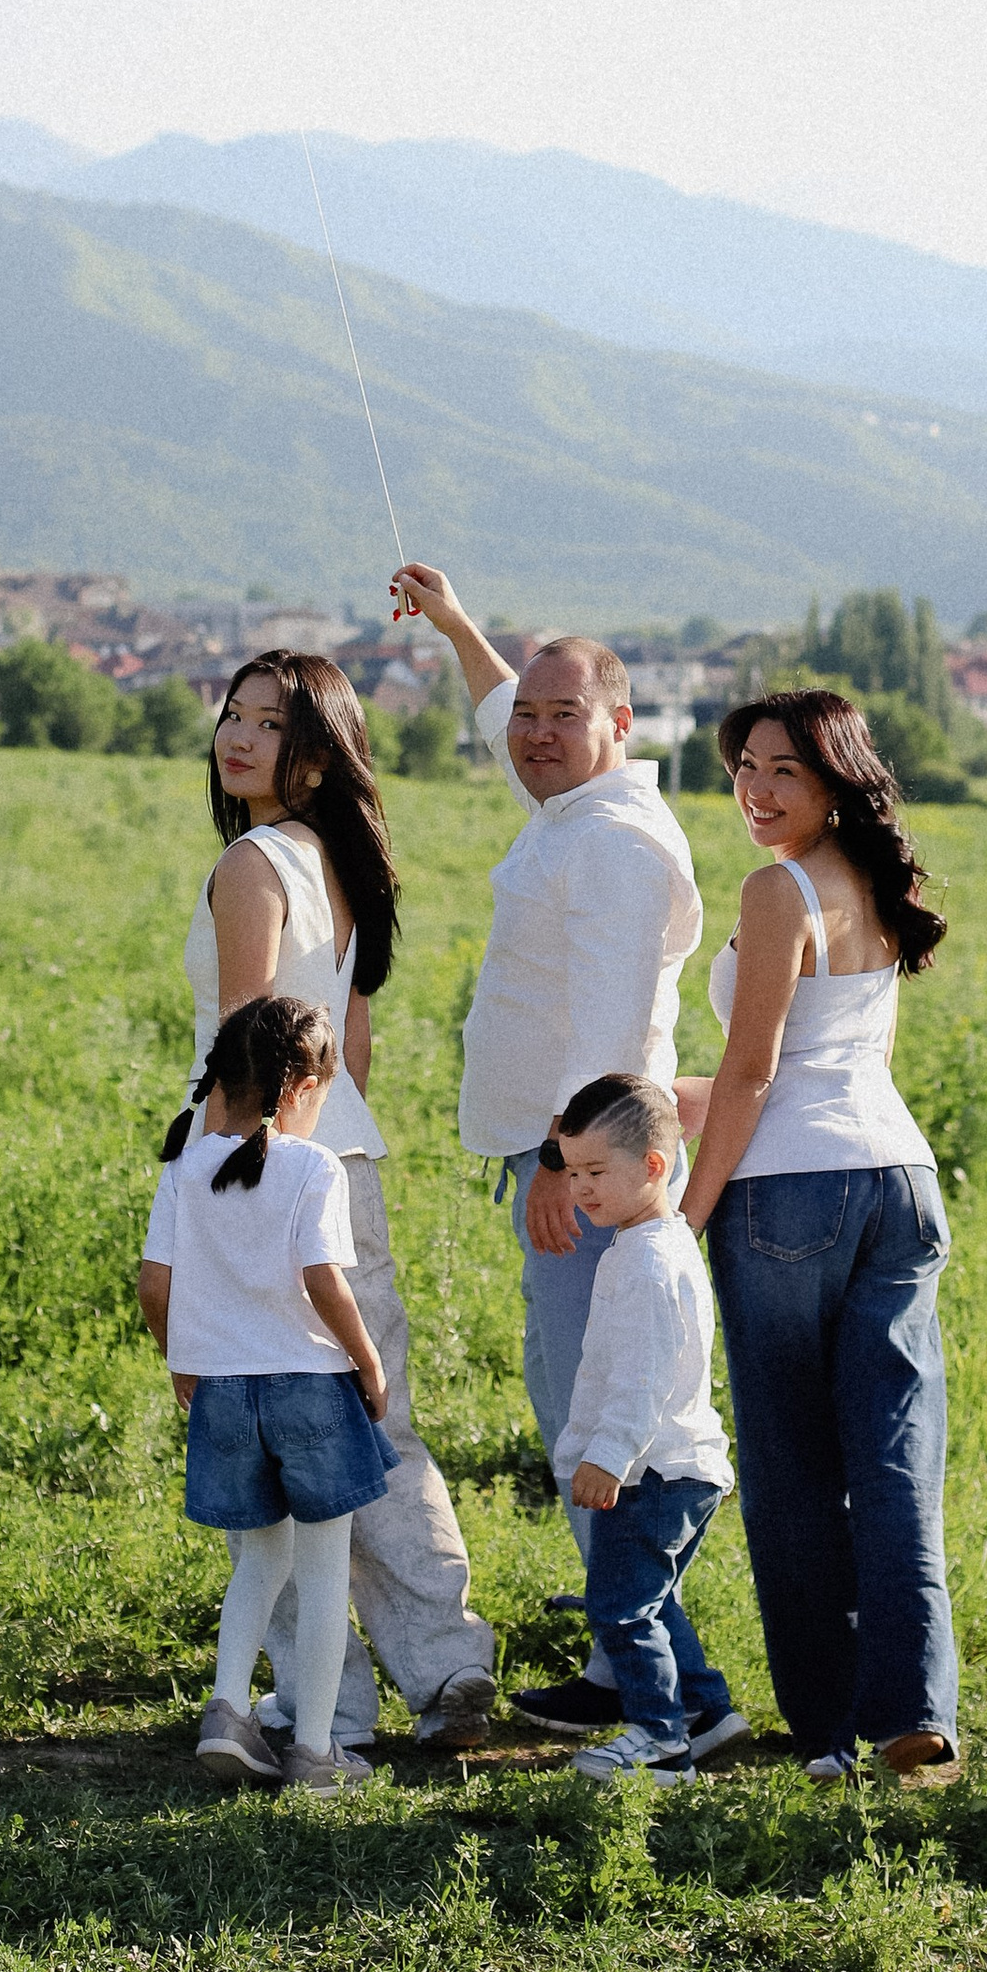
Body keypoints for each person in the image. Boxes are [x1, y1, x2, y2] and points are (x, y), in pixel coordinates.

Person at [388, 563, 730, 1751]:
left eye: (562, 715)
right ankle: (626, 1664)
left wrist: (556, 1164)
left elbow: (613, 1034)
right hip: (577, 1164)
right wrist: (455, 625)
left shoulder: (616, 843)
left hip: (590, 1174)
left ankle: (672, 1694)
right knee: (584, 1416)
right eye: (527, 716)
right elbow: (505, 715)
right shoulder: (575, 808)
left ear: (620, 724)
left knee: (597, 1425)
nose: (533, 734)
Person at [182, 650, 494, 1759]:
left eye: (271, 723)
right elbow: (346, 1043)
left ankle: (326, 1706)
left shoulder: (253, 864)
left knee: (263, 1435)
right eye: (234, 713)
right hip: (342, 1159)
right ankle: (446, 1661)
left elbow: (247, 1047)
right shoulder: (337, 864)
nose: (239, 735)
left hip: (258, 1169)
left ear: (317, 758)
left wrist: (216, 1193)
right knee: (373, 1417)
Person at [680, 688, 960, 1785]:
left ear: (836, 778)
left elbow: (754, 1073)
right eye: (744, 766)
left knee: (792, 1468)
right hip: (901, 1181)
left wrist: (689, 1213)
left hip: (788, 1195)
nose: (754, 788)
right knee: (894, 1459)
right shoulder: (878, 887)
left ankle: (828, 1734)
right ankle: (913, 1711)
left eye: (783, 770)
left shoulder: (776, 889)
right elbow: (844, 1057)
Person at [139, 995, 396, 1796]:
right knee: (322, 1574)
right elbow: (322, 1280)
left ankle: (226, 1713)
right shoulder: (313, 1167)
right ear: (302, 1089)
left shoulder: (185, 1169)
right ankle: (315, 1751)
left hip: (221, 1391)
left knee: (259, 1558)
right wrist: (368, 1361)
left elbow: (154, 1286)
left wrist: (181, 1358)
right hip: (310, 1390)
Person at [546, 1073, 743, 1786]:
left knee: (621, 1609)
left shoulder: (650, 1264)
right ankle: (705, 1709)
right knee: (651, 1600)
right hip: (678, 1466)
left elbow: (643, 1376)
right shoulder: (652, 1243)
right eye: (572, 1172)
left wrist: (608, 1455)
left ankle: (660, 1741)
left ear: (654, 1165)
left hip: (650, 1471)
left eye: (596, 1172)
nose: (580, 1189)